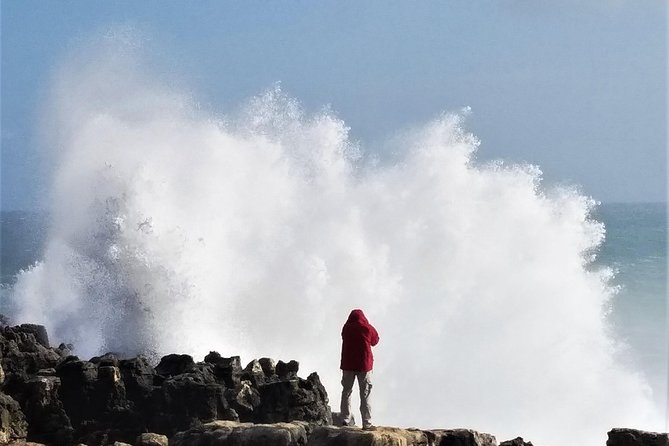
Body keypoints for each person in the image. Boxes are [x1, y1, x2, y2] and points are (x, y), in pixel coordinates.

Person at [339, 309, 379, 430]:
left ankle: (345, 419)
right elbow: (375, 340)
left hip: (348, 365)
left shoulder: (346, 328)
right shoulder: (367, 328)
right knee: (365, 394)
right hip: (364, 366)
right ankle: (367, 423)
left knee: (346, 392)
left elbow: (342, 336)